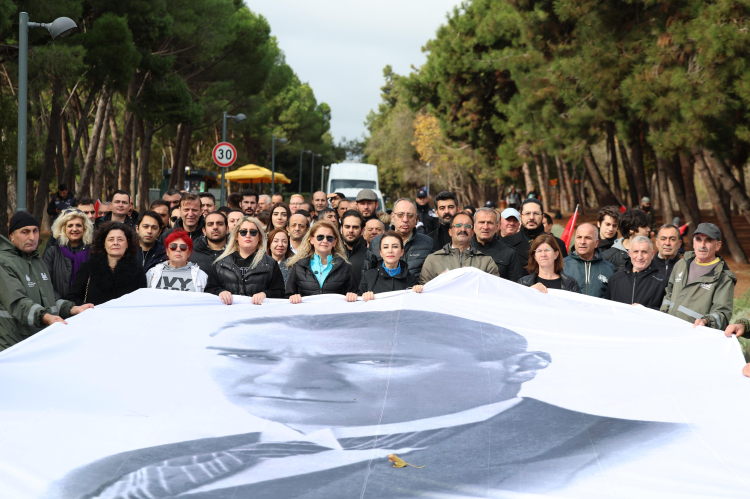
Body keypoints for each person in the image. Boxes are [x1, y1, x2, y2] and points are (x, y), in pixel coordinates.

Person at [60, 310, 685, 499]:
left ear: (520, 368)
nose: (292, 378)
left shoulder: (617, 456)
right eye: (250, 356)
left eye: (374, 359)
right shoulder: (134, 460)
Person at [0, 212, 92, 351]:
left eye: (35, 231)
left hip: (37, 339)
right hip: (13, 344)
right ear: (11, 236)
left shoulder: (37, 261)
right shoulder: (3, 263)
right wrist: (46, 317)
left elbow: (48, 299)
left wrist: (72, 308)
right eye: (25, 232)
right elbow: (17, 302)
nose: (32, 237)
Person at [660, 223, 735, 329]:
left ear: (718, 245)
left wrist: (706, 321)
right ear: (693, 242)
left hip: (695, 336)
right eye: (698, 239)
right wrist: (663, 314)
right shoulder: (681, 264)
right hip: (669, 329)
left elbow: (722, 314)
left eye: (708, 240)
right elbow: (669, 293)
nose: (702, 245)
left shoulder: (724, 277)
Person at [206, 217, 286, 305]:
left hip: (258, 315)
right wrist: (220, 292)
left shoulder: (270, 264)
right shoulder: (221, 264)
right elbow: (209, 290)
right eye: (243, 232)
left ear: (259, 237)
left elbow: (280, 293)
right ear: (237, 236)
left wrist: (266, 294)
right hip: (229, 315)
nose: (248, 235)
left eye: (253, 232)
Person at [67, 222, 147, 306]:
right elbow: (72, 297)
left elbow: (142, 301)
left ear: (127, 243)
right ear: (104, 243)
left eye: (120, 239)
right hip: (94, 317)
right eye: (111, 239)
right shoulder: (88, 267)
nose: (115, 243)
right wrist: (88, 309)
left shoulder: (137, 270)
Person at [285, 220, 358, 302]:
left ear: (335, 242)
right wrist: (293, 297)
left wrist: (352, 295)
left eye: (329, 238)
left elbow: (354, 294)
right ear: (311, 240)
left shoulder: (345, 267)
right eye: (320, 237)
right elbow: (288, 295)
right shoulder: (299, 266)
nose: (325, 241)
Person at [419, 212, 499, 284]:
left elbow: (495, 289)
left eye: (468, 226)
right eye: (458, 225)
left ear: (472, 232)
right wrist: (439, 281)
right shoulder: (432, 260)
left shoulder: (487, 262)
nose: (463, 229)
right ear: (450, 231)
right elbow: (424, 290)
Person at [363, 199, 434, 280]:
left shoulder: (428, 243)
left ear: (416, 218)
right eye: (400, 215)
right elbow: (366, 277)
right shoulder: (376, 242)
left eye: (410, 215)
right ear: (392, 217)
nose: (405, 219)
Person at [42, 208, 93, 302]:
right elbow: (46, 284)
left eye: (78, 225)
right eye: (70, 225)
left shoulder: (92, 253)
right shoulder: (52, 252)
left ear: (84, 228)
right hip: (60, 309)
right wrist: (63, 306)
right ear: (63, 228)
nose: (75, 229)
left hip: (88, 309)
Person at [604, 236, 667, 310]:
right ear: (630, 253)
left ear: (652, 254)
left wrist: (645, 310)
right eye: (636, 252)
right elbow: (607, 309)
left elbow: (666, 313)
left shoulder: (663, 282)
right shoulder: (615, 280)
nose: (640, 257)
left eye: (644, 252)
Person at [502, 199, 567, 268]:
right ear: (520, 217)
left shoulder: (558, 244)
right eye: (527, 213)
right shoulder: (505, 244)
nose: (531, 217)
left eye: (536, 213)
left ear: (542, 217)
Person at [359, 231, 423, 300]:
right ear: (381, 252)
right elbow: (358, 303)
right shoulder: (369, 276)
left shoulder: (411, 280)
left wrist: (418, 292)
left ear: (402, 252)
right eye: (385, 247)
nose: (390, 250)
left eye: (395, 246)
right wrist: (363, 296)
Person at [470, 207, 524, 283]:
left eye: (490, 223)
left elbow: (516, 286)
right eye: (481, 222)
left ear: (497, 227)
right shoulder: (462, 250)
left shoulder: (509, 253)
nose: (485, 227)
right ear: (474, 226)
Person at [562, 223, 615, 298]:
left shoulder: (609, 268)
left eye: (588, 238)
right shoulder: (562, 265)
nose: (582, 242)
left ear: (596, 243)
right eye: (579, 237)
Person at [191, 211, 228, 275]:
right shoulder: (191, 255)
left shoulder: (238, 252)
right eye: (210, 224)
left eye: (220, 224)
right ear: (204, 231)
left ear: (227, 229)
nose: (215, 227)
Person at [340, 210, 367, 287]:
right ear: (341, 229)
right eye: (347, 227)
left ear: (362, 231)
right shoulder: (331, 254)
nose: (351, 230)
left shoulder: (370, 256)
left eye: (355, 227)